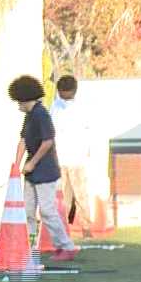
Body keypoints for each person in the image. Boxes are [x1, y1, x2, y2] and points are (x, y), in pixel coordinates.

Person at [9, 75, 76, 262]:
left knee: (47, 211)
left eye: (19, 101)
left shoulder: (41, 114)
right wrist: (16, 164)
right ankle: (28, 247)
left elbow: (48, 142)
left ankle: (66, 246)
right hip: (31, 173)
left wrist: (32, 162)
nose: (18, 105)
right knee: (27, 211)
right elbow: (23, 140)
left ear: (25, 97)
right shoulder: (29, 116)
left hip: (45, 171)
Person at [50, 74, 89, 235]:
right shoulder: (55, 107)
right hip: (58, 158)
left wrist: (86, 154)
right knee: (60, 195)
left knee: (80, 193)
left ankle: (86, 227)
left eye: (68, 94)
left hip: (76, 158)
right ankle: (62, 228)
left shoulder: (82, 108)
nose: (65, 98)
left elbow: (88, 132)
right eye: (62, 94)